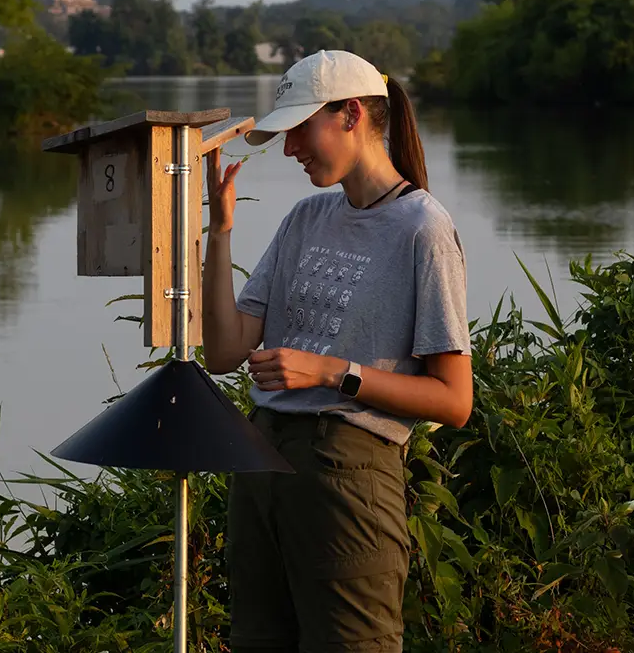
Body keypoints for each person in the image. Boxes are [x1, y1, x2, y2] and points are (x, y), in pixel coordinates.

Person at [202, 49, 473, 652]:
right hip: (263, 467)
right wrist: (219, 233)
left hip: (349, 476)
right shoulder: (305, 218)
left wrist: (332, 371)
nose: (290, 149)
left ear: (351, 115)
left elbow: (454, 401)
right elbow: (222, 351)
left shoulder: (422, 229)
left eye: (300, 130)